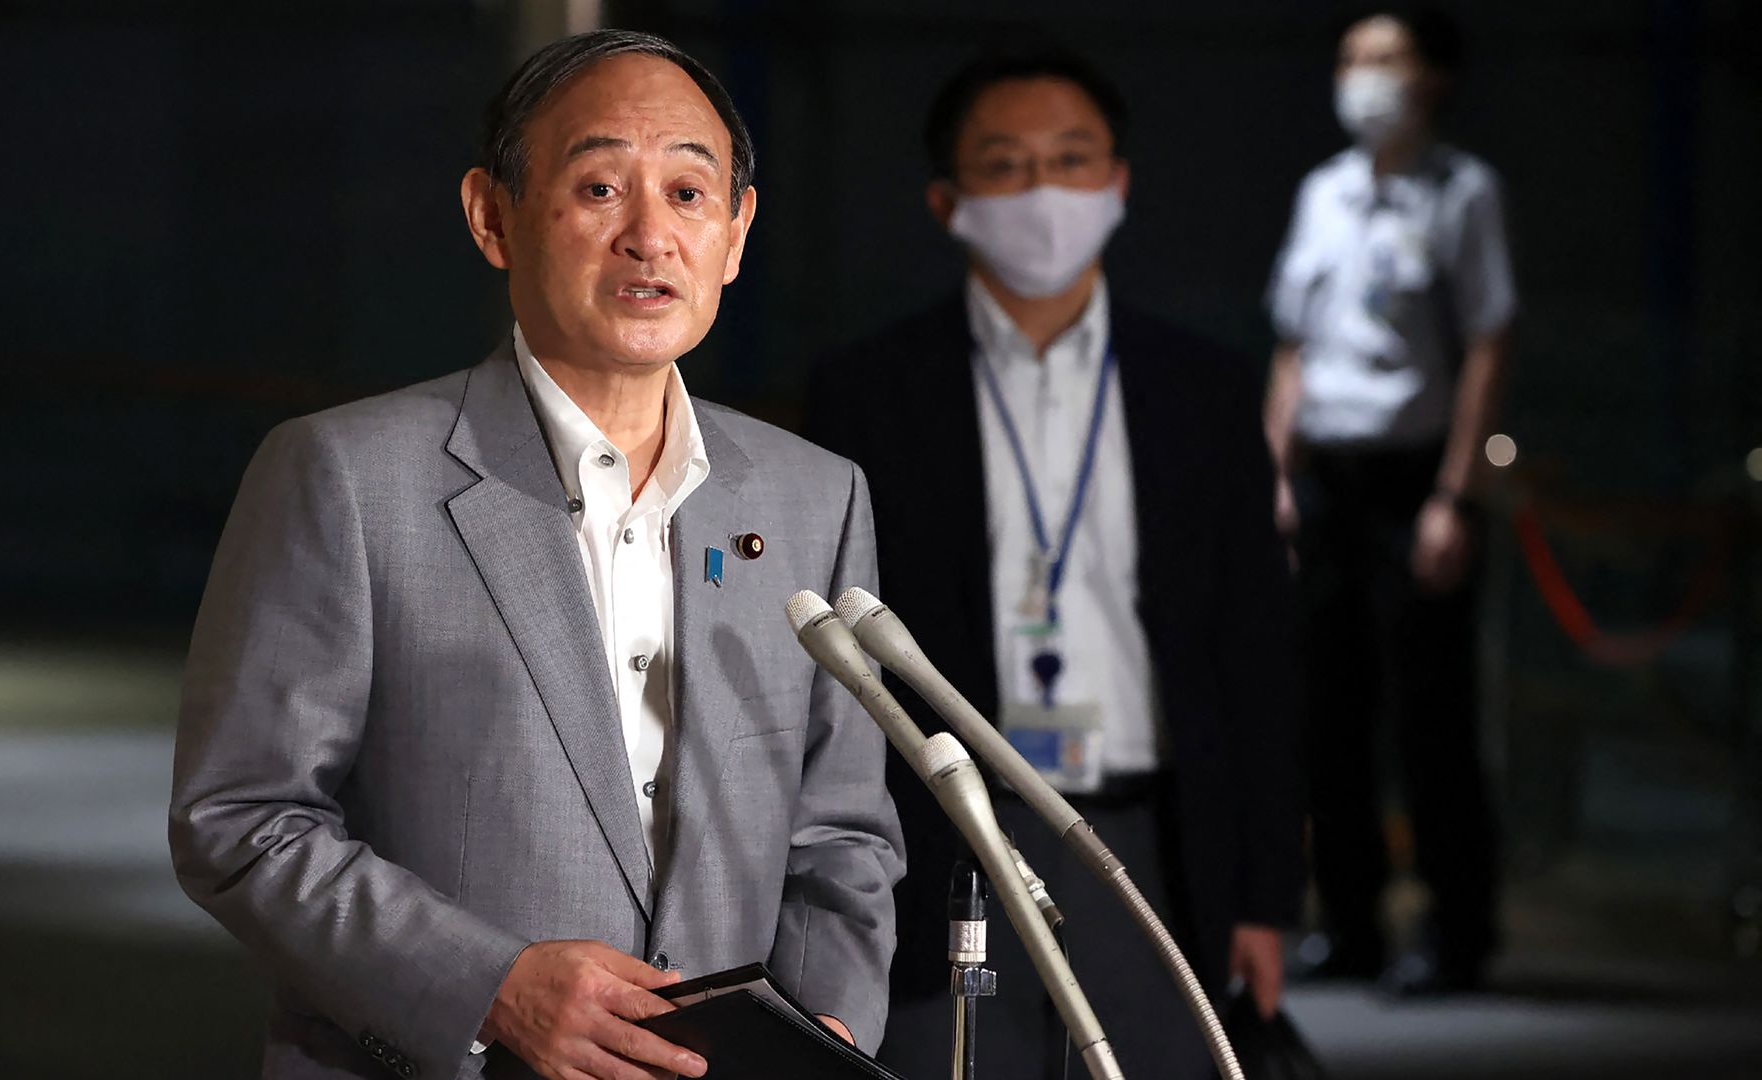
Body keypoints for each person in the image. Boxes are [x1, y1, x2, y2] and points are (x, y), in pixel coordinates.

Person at [170, 30, 904, 1080]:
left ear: (737, 233)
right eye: (600, 188)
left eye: (688, 194)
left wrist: (824, 1036)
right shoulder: (346, 476)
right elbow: (242, 818)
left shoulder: (813, 497)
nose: (650, 237)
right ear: (492, 216)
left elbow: (843, 837)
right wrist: (491, 987)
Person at [808, 48, 1302, 1080]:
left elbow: (1255, 650)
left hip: (1150, 844)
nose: (1043, 191)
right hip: (945, 841)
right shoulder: (869, 393)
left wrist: (1266, 895)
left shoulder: (1205, 390)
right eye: (1005, 164)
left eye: (1071, 159)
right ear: (948, 201)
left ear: (1117, 183)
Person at [1265, 7, 1515, 996]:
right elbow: (1293, 347)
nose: (1363, 76)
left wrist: (1457, 495)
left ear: (1433, 77)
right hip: (1328, 478)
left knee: (1430, 717)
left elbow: (1489, 343)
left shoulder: (1463, 193)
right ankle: (1349, 923)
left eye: (1385, 57)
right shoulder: (1322, 192)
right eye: (1351, 58)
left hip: (1417, 480)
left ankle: (1458, 932)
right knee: (1327, 713)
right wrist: (1276, 474)